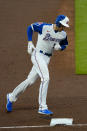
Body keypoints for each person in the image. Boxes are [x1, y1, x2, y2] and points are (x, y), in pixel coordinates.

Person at [6, 15, 69, 115]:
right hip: (37, 55)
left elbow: (65, 44)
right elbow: (30, 27)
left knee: (30, 81)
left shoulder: (63, 34)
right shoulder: (44, 27)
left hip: (47, 58)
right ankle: (42, 107)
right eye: (63, 25)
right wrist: (30, 41)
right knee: (46, 78)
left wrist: (60, 47)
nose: (64, 27)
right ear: (58, 23)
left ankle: (11, 97)